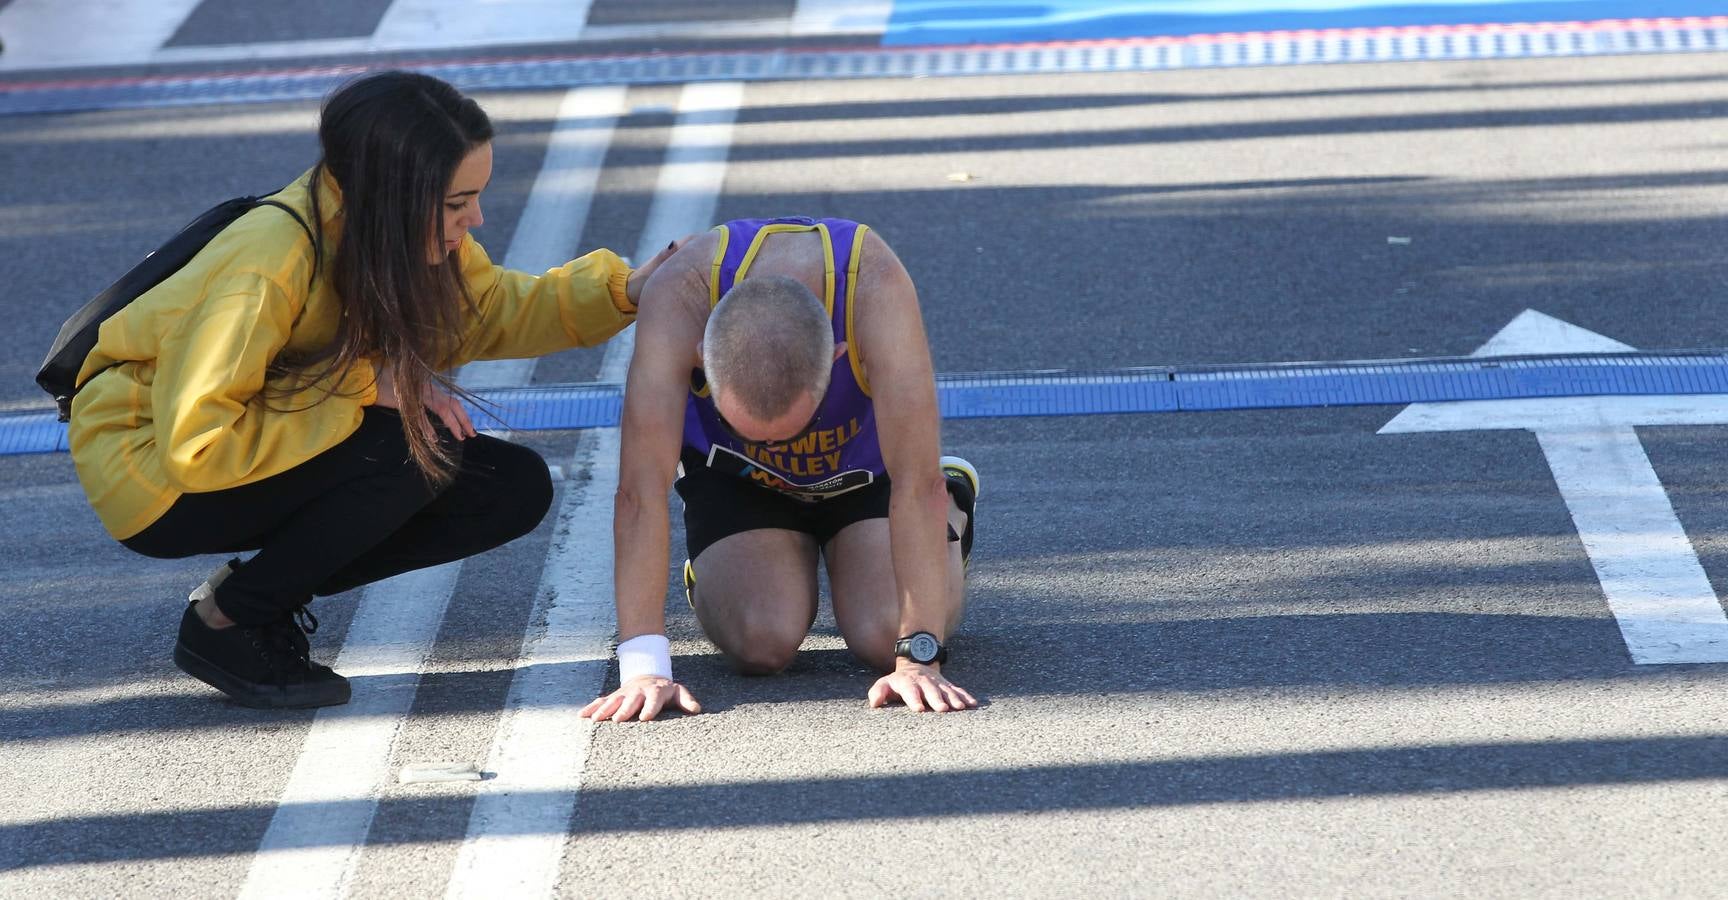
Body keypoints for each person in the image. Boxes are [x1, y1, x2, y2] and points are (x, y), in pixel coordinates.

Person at [67, 71, 673, 710]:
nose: (477, 217)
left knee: (508, 488)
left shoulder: (383, 228)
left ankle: (262, 591)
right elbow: (201, 441)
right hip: (155, 469)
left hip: (236, 440)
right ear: (390, 194)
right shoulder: (267, 262)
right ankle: (231, 621)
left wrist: (626, 291)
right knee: (412, 450)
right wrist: (364, 385)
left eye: (476, 196)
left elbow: (490, 308)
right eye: (455, 203)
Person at [578, 216, 980, 721]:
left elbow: (918, 486)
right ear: (700, 357)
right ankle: (724, 560)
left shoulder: (875, 289)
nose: (776, 446)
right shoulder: (680, 294)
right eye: (753, 430)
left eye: (794, 426)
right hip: (736, 477)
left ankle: (954, 515)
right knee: (761, 643)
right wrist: (642, 667)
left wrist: (919, 655)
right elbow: (639, 492)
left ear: (838, 358)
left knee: (884, 638)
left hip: (863, 474)